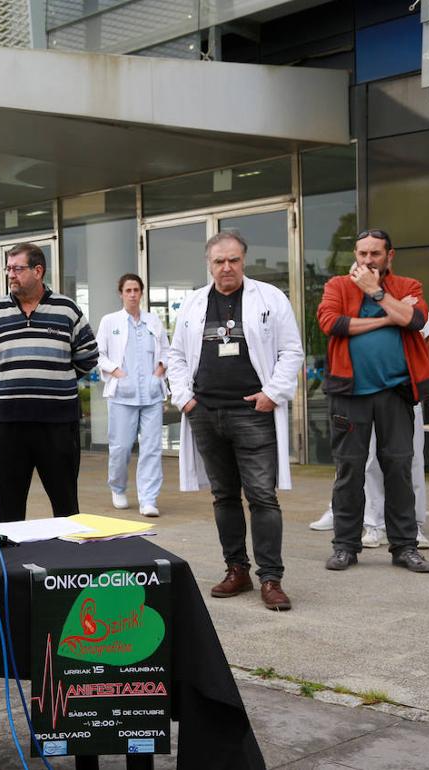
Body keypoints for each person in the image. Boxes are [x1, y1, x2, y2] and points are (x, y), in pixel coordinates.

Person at [166, 230, 302, 612]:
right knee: (223, 496)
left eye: (233, 260)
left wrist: (272, 393)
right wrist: (185, 399)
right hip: (206, 413)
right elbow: (176, 355)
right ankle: (236, 569)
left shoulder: (270, 298)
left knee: (262, 496)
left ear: (244, 260)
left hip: (252, 412)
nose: (226, 267)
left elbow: (292, 350)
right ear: (209, 264)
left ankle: (271, 578)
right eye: (219, 261)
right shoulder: (193, 302)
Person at [318, 228, 429, 575]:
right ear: (355, 255)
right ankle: (345, 546)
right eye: (362, 253)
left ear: (390, 255)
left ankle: (404, 546)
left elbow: (415, 319)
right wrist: (390, 316)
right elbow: (331, 323)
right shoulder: (338, 286)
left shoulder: (408, 285)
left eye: (375, 253)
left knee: (399, 468)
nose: (368, 260)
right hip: (349, 394)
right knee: (349, 470)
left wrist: (377, 292)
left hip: (395, 392)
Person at [0, 242, 98, 522]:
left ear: (38, 271)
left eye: (17, 268)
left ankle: (68, 552)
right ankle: (12, 553)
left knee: (66, 505)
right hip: (9, 425)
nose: (11, 274)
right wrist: (9, 377)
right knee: (9, 505)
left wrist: (58, 378)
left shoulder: (66, 309)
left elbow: (88, 354)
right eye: (8, 268)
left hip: (58, 425)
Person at [307, 312, 429, 549]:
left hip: (398, 394)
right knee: (371, 459)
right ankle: (375, 523)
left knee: (403, 461)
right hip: (363, 394)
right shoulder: (350, 302)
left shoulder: (401, 300)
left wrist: (414, 374)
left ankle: (402, 526)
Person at [95, 274, 168, 517]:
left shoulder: (153, 320)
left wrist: (158, 372)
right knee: (121, 447)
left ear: (142, 293)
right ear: (121, 294)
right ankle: (118, 487)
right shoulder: (110, 321)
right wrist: (117, 372)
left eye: (136, 290)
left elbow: (166, 351)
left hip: (151, 394)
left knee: (152, 449)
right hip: (122, 395)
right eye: (128, 290)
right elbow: (99, 354)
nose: (133, 294)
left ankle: (149, 499)